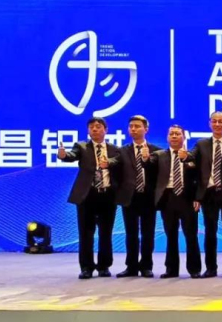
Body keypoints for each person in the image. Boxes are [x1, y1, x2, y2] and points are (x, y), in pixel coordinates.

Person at [58, 117, 120, 280]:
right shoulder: (82, 146)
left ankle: (104, 266)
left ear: (105, 130)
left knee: (106, 233)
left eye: (98, 126)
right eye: (91, 127)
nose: (94, 129)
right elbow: (72, 155)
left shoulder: (114, 149)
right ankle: (86, 267)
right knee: (86, 233)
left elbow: (119, 162)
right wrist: (63, 155)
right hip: (87, 196)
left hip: (107, 195)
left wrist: (109, 162)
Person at [183, 111, 222, 279]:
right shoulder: (201, 144)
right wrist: (184, 156)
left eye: (220, 121)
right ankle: (211, 267)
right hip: (208, 194)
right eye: (214, 121)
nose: (217, 124)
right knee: (210, 232)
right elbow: (191, 158)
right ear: (210, 124)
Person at [115, 115, 161, 279]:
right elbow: (116, 173)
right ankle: (131, 266)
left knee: (148, 233)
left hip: (148, 197)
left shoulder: (157, 151)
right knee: (131, 234)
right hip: (129, 198)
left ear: (146, 129)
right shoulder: (122, 151)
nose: (133, 129)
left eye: (137, 126)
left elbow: (159, 175)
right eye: (131, 126)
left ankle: (146, 266)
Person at [153, 125, 201, 279]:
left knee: (191, 235)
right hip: (168, 199)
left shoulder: (192, 156)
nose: (174, 136)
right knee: (171, 236)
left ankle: (194, 269)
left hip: (187, 199)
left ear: (184, 137)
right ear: (167, 137)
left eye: (177, 134)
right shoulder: (159, 155)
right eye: (171, 134)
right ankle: (171, 269)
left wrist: (198, 198)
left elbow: (199, 179)